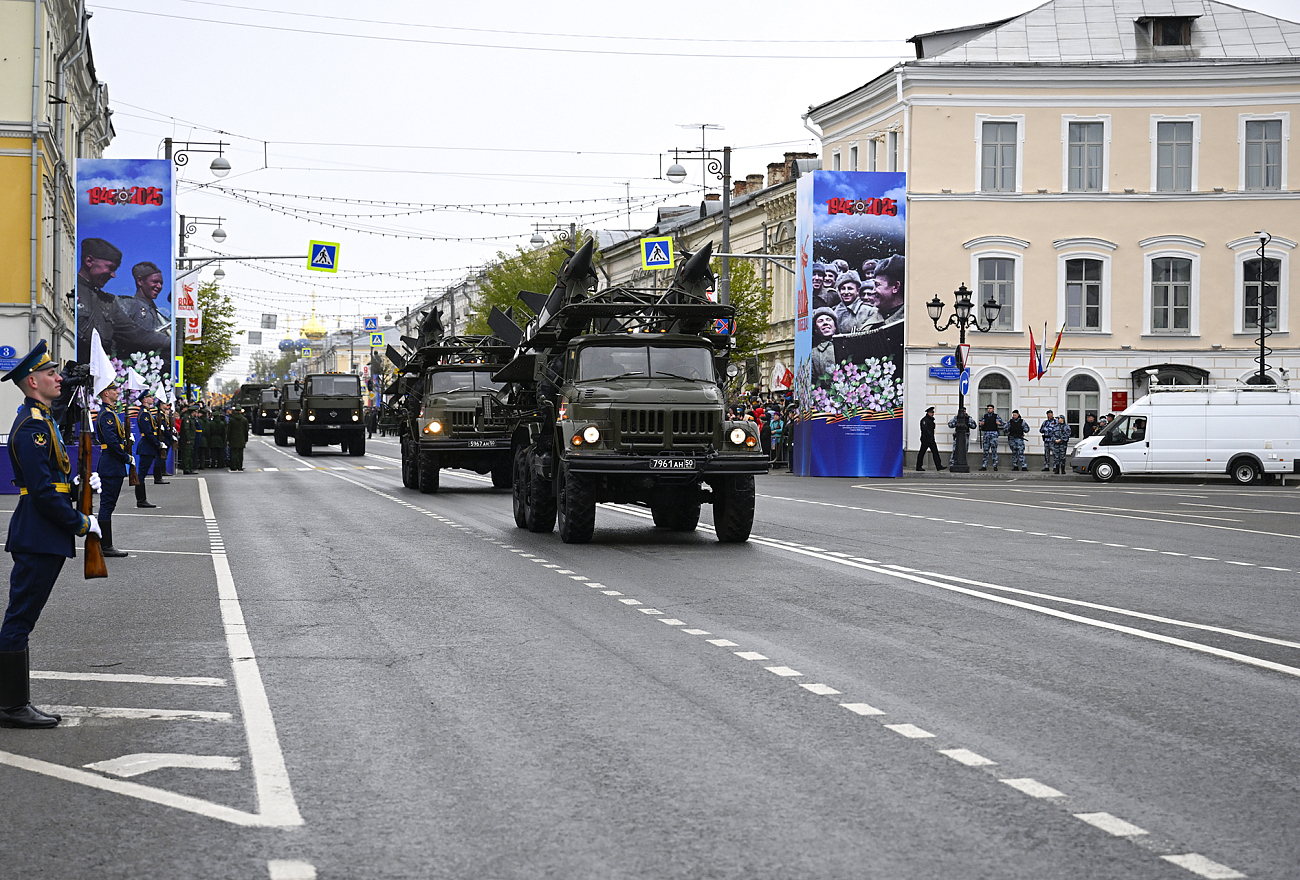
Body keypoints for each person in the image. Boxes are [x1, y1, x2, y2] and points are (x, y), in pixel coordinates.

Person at [2, 342, 101, 729]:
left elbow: (53, 480)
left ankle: (11, 702)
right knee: (19, 619)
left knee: (23, 617)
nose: (59, 378)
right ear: (32, 381)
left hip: (42, 533)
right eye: (50, 373)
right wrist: (80, 523)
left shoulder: (43, 422)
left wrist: (78, 484)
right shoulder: (33, 428)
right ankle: (10, 706)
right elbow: (41, 492)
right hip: (39, 533)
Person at [95, 382, 134, 554]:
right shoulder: (107, 415)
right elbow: (111, 442)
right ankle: (105, 545)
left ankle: (104, 544)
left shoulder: (110, 413)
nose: (117, 392)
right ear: (105, 393)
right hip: (111, 465)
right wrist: (126, 457)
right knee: (107, 505)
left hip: (112, 464)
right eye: (113, 390)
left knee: (108, 505)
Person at [75, 237, 125, 363]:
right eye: (110, 268)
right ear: (89, 261)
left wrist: (168, 341)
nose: (113, 275)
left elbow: (134, 331)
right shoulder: (68, 288)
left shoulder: (108, 302)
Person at [116, 261, 171, 359]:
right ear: (140, 281)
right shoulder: (128, 304)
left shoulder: (157, 313)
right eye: (155, 282)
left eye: (161, 283)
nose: (159, 286)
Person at [134, 391, 160, 509]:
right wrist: (157, 444)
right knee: (142, 474)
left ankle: (142, 499)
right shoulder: (144, 414)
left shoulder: (147, 412)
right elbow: (148, 432)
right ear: (144, 400)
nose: (152, 398)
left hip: (148, 446)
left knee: (142, 473)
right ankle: (141, 500)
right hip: (147, 446)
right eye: (149, 397)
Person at [869, 255, 905, 326]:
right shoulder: (871, 317)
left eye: (877, 285)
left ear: (895, 287)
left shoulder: (907, 323)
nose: (873, 291)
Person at [810, 308, 838, 380]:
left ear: (835, 325)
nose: (825, 323)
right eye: (820, 321)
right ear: (816, 329)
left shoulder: (848, 344)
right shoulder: (813, 353)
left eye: (828, 319)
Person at [916, 406, 945, 472]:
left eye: (933, 413)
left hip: (931, 439)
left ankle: (938, 466)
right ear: (928, 413)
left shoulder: (931, 420)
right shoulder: (924, 420)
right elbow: (924, 429)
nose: (932, 414)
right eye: (931, 413)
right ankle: (918, 466)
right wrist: (929, 435)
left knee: (935, 452)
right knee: (922, 453)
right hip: (925, 439)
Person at [978, 404, 1005, 471]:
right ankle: (984, 465)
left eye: (990, 408)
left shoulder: (996, 416)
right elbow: (981, 423)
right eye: (988, 408)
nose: (989, 409)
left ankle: (995, 465)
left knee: (994, 451)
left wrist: (998, 423)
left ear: (993, 409)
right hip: (986, 434)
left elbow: (1002, 423)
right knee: (985, 451)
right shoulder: (985, 416)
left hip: (993, 435)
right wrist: (981, 424)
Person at [227, 405, 249, 471]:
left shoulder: (232, 420)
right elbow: (246, 430)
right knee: (240, 453)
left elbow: (229, 430)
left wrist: (228, 439)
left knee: (233, 452)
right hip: (241, 438)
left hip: (233, 438)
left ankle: (233, 466)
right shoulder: (244, 420)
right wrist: (246, 439)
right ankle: (240, 466)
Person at [180, 405, 198, 474]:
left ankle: (190, 468)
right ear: (193, 412)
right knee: (187, 454)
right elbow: (186, 429)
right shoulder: (186, 418)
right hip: (187, 439)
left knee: (190, 454)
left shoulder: (191, 418)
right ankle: (186, 468)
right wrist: (188, 438)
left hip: (191, 439)